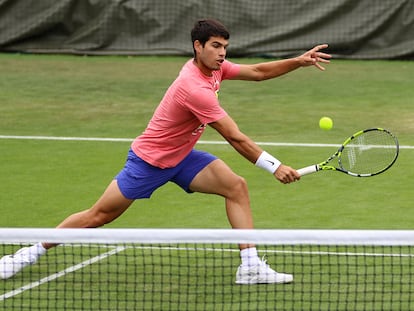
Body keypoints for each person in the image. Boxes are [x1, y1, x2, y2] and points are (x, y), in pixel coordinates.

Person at [0, 19, 331, 284]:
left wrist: (298, 62)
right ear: (197, 46)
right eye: (215, 46)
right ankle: (30, 252)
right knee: (98, 216)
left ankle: (249, 266)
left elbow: (257, 73)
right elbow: (234, 137)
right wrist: (274, 167)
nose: (222, 53)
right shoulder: (194, 88)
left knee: (236, 187)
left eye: (225, 47)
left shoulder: (215, 68)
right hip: (150, 162)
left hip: (183, 157)